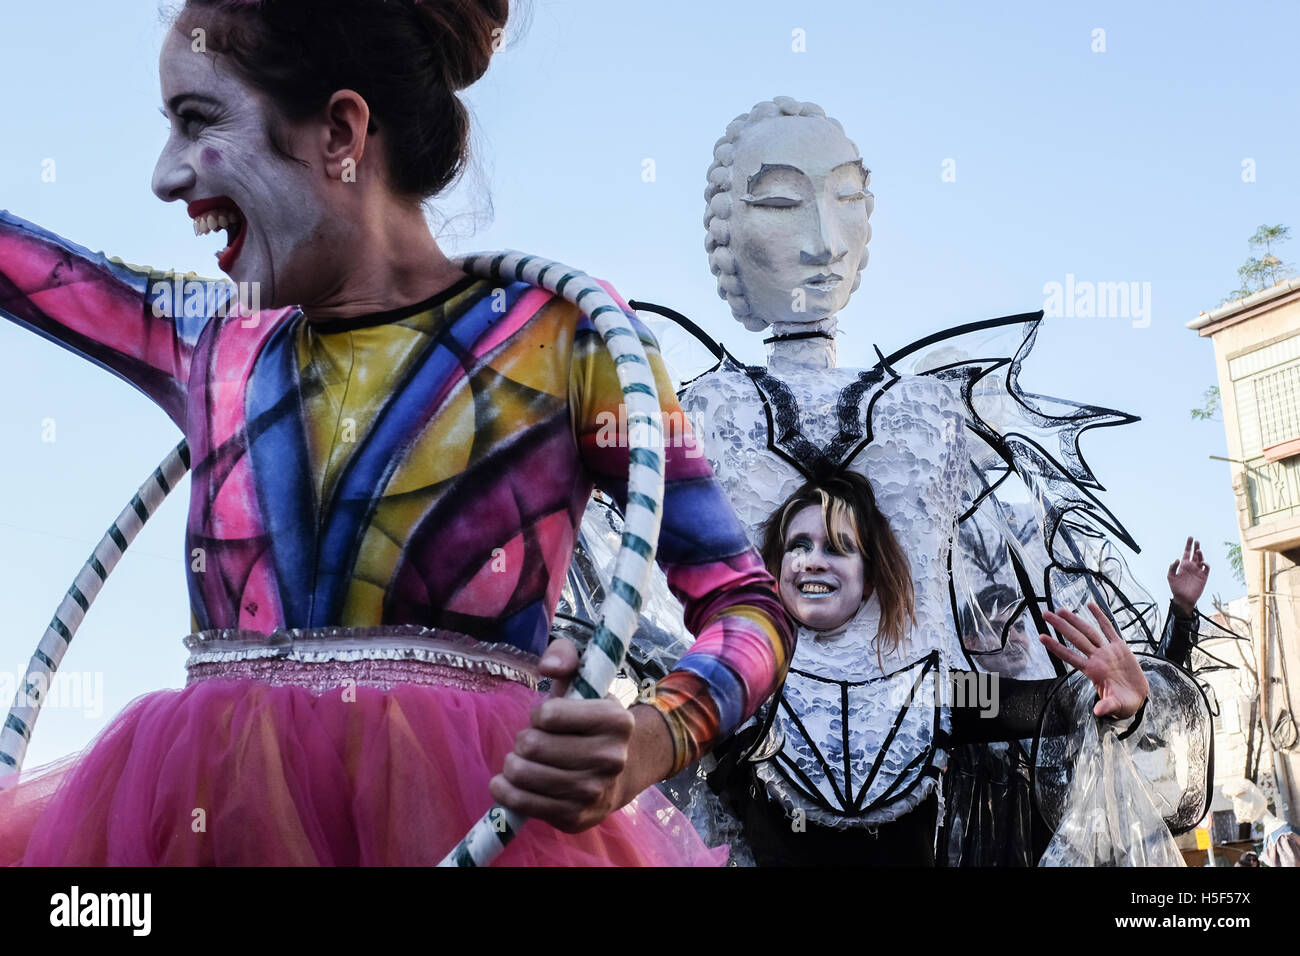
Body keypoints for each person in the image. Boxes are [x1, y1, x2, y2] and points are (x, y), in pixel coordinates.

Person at [0, 0, 795, 866]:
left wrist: (651, 737)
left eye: (197, 122)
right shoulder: (209, 340)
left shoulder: (565, 339)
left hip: (477, 822)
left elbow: (748, 604)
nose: (165, 177)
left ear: (341, 132)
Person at [703, 472, 1149, 865]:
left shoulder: (930, 693)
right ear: (775, 568)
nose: (814, 560)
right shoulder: (733, 690)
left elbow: (1044, 706)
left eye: (838, 547)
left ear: (869, 580)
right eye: (798, 546)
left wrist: (1111, 697)